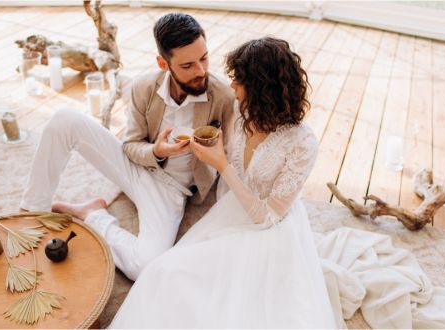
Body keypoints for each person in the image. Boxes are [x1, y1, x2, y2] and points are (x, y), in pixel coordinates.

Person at [107, 37, 337, 328]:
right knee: (163, 272)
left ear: (260, 88)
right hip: (232, 210)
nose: (232, 87)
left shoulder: (303, 144)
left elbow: (266, 217)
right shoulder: (242, 117)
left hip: (271, 233)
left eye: (239, 81)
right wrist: (198, 150)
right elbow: (228, 161)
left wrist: (222, 165)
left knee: (229, 309)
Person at [20, 13, 235, 281]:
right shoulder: (143, 87)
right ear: (163, 63)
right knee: (64, 119)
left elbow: (231, 157)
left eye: (204, 58)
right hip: (136, 167)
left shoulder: (222, 96)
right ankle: (32, 212)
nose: (201, 71)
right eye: (188, 65)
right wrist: (157, 151)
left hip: (171, 189)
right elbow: (131, 144)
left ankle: (93, 214)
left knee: (145, 267)